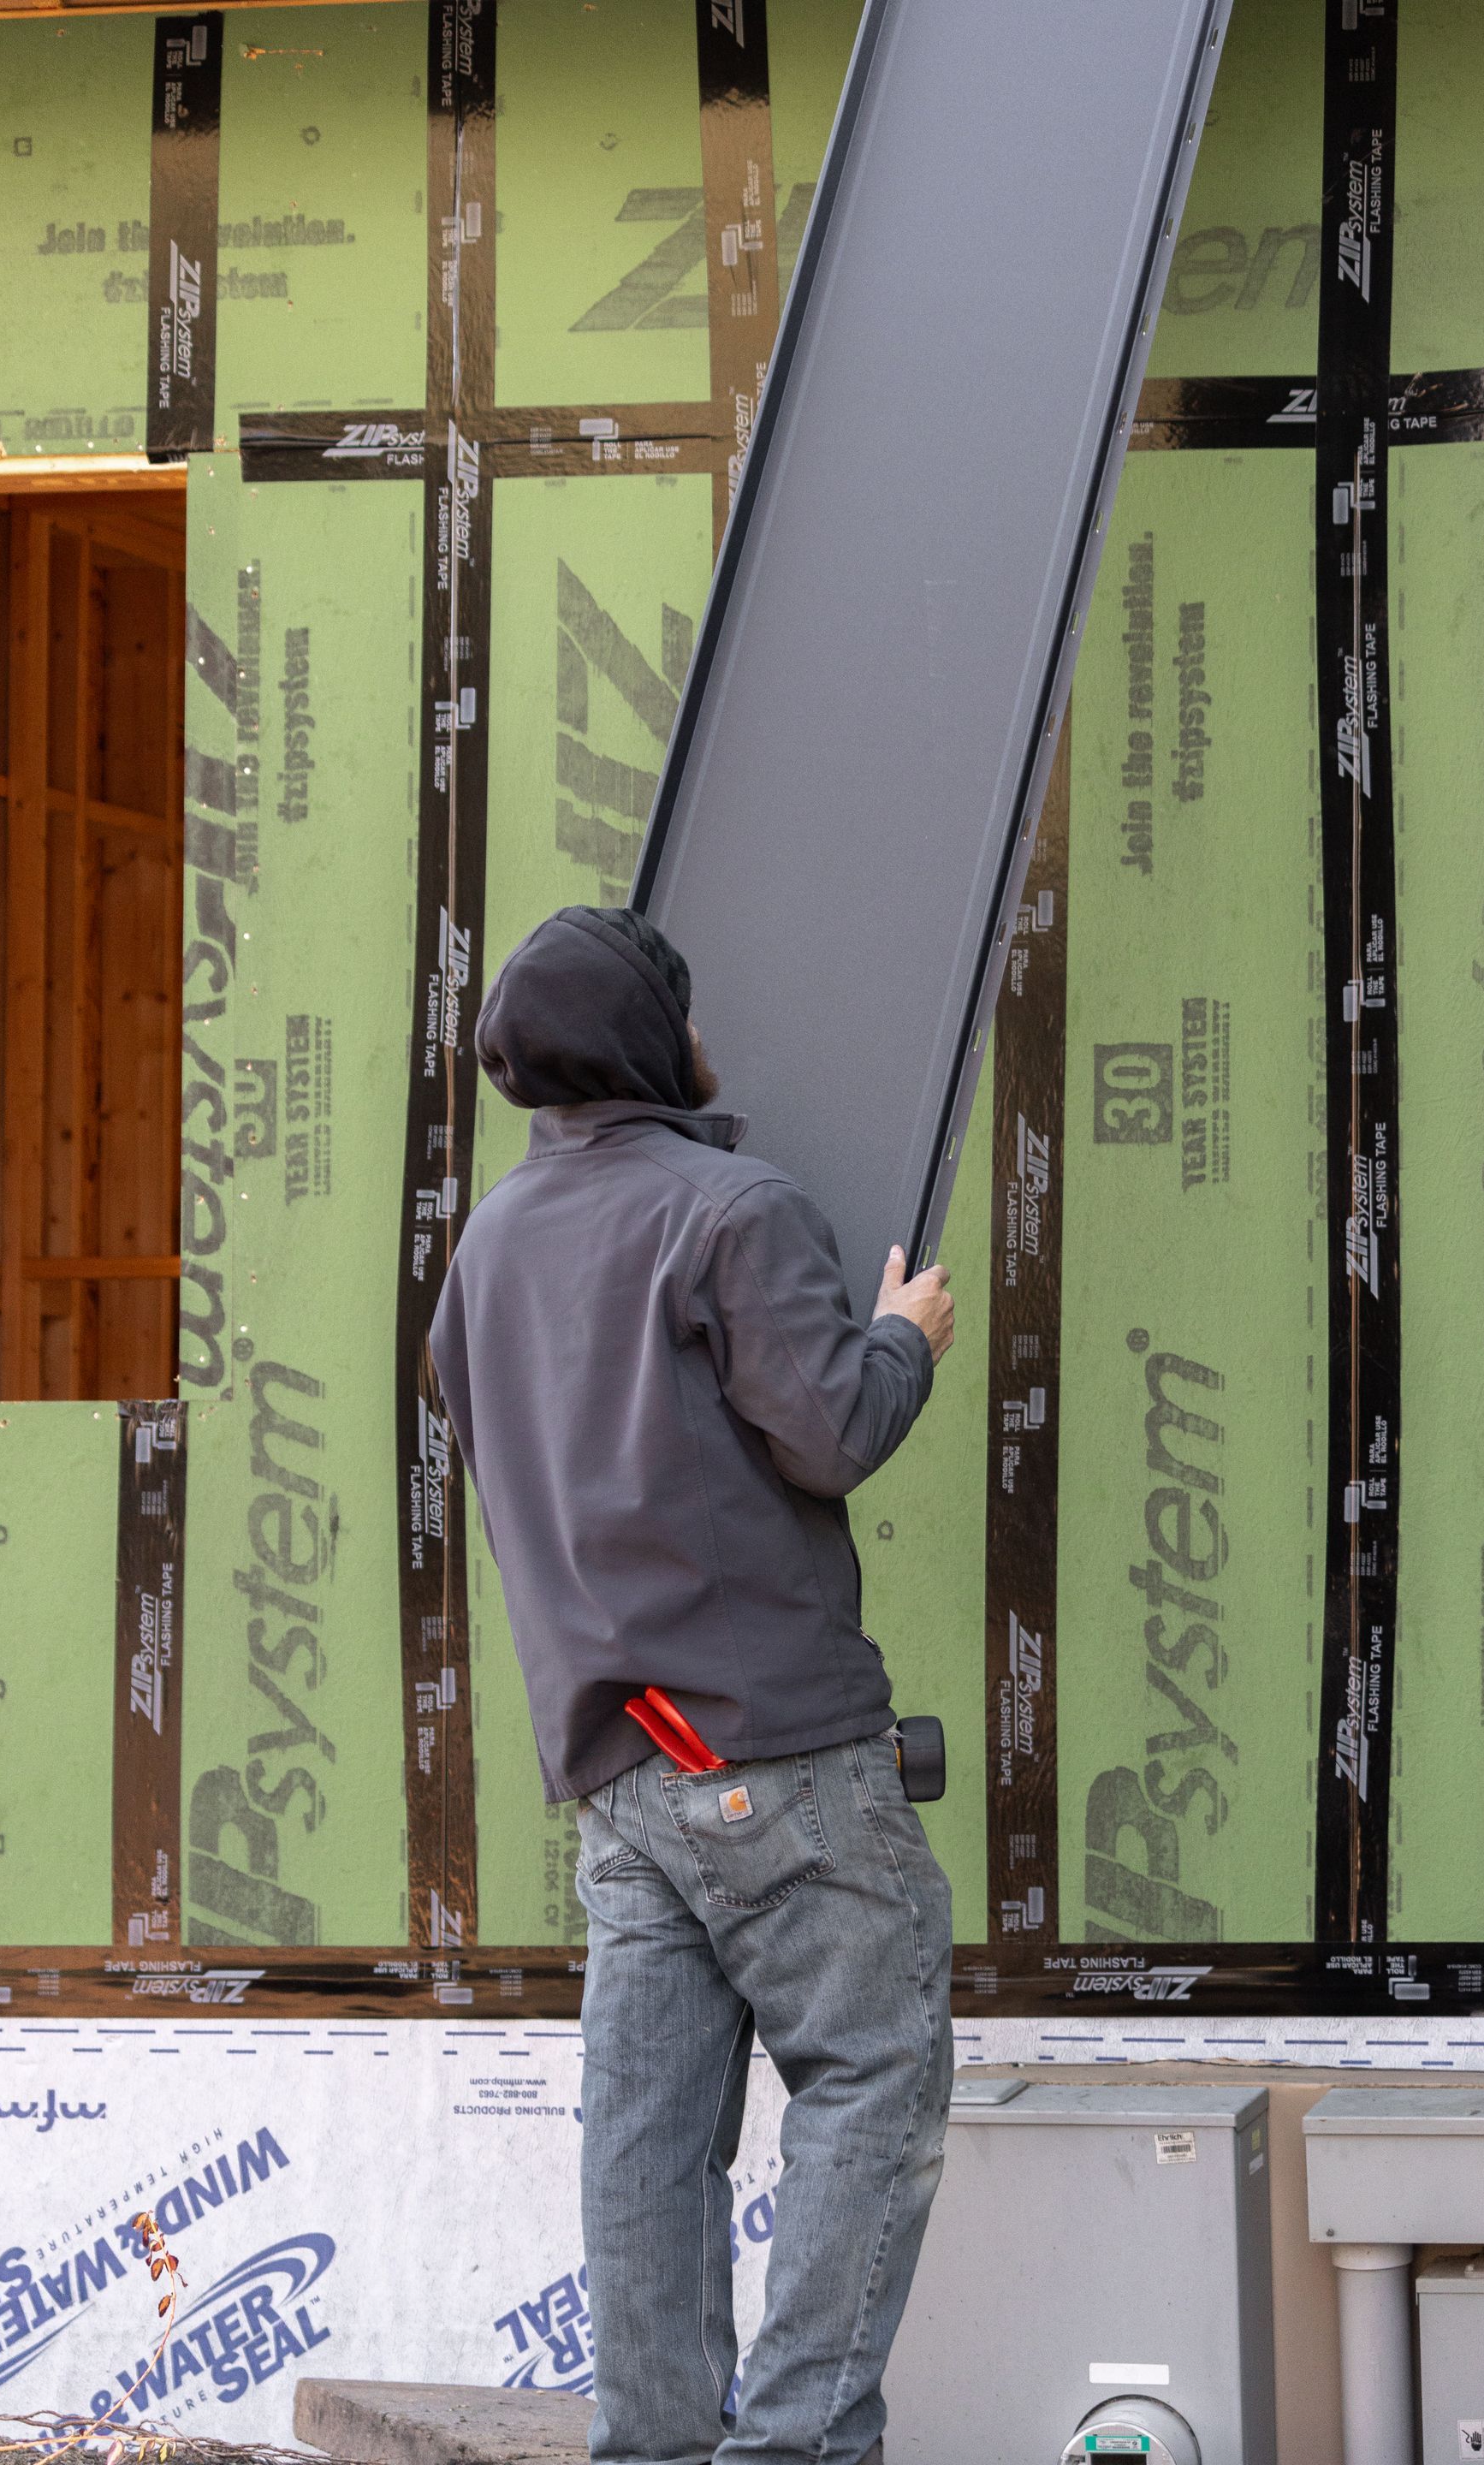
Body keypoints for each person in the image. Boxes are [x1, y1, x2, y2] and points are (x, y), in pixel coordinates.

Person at [430, 904, 955, 2465]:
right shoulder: (733, 1210)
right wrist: (902, 1336)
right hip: (775, 1752)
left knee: (647, 2149)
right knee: (872, 2076)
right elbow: (834, 1430)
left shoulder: (490, 1249)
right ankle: (791, 2449)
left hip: (620, 1779)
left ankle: (654, 2450)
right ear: (657, 1041)